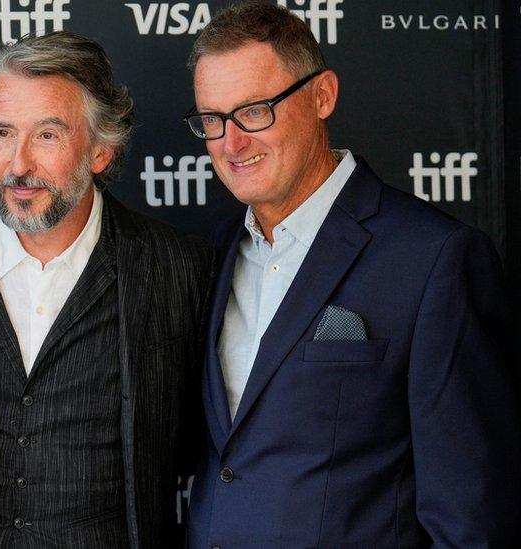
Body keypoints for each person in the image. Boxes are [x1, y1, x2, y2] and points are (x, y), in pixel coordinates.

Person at [185, 3, 519, 546]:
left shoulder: (434, 259)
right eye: (213, 120)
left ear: (323, 96)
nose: (231, 142)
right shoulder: (214, 255)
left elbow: (470, 515)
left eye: (254, 111)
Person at [0, 31, 213, 548]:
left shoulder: (178, 269)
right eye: (1, 134)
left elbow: (199, 440)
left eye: (46, 135)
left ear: (101, 149)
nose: (18, 165)